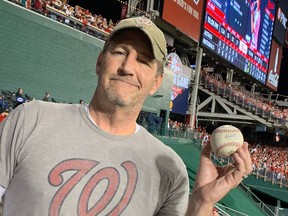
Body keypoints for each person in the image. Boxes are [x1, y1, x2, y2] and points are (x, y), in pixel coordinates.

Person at [0, 16, 252, 215]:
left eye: (143, 60)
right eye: (120, 52)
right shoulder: (30, 119)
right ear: (99, 62)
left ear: (156, 82)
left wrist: (200, 203)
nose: (127, 67)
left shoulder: (170, 167)